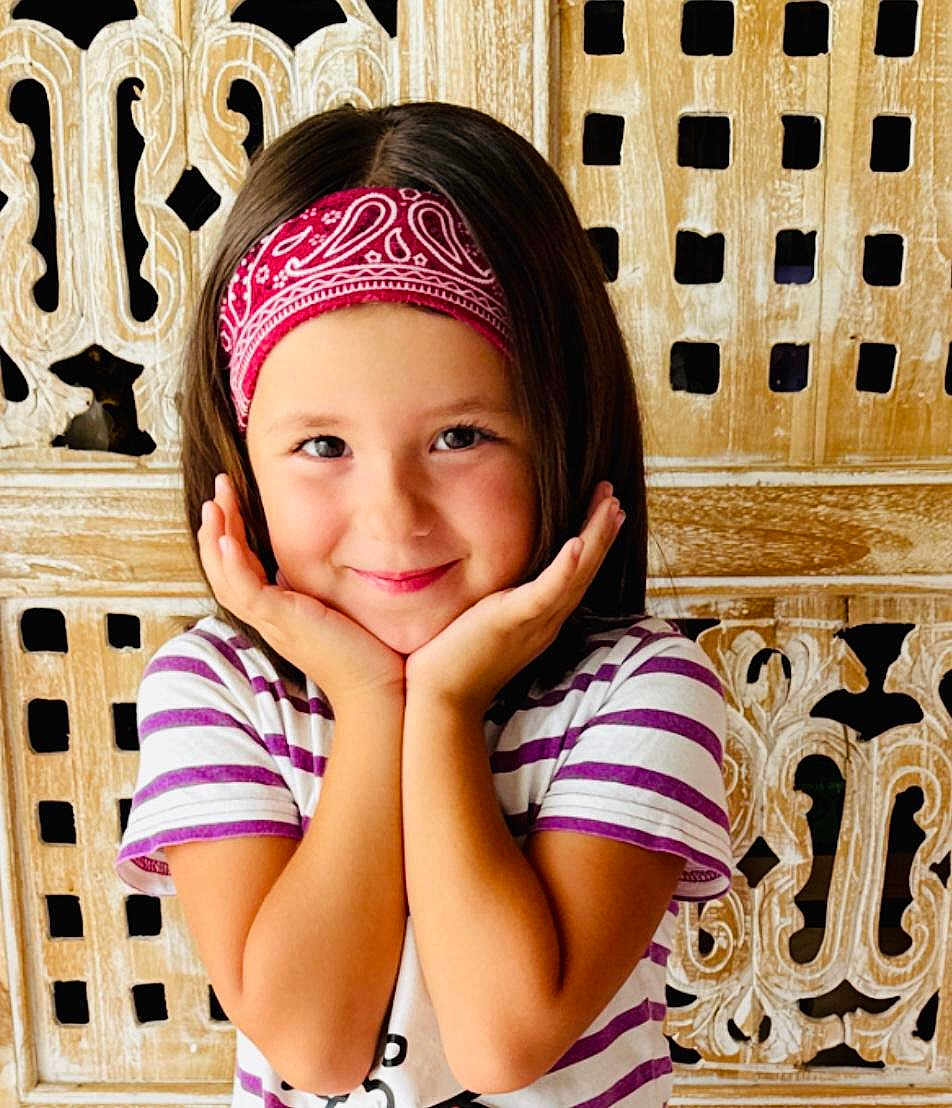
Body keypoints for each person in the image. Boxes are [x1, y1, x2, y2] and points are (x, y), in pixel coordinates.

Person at [115, 100, 732, 1108]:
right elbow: (315, 1048)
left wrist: (440, 708)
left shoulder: (645, 688)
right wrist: (367, 702)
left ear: (560, 428)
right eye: (323, 446)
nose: (392, 515)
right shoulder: (212, 691)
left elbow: (503, 1043)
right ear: (241, 461)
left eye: (460, 437)